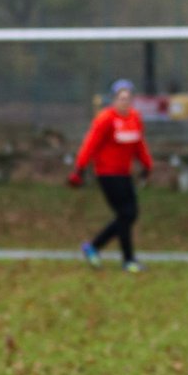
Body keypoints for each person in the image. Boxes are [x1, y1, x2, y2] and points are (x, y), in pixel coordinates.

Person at [69, 78, 154, 272]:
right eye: (120, 98)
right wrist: (79, 169)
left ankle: (94, 247)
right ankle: (128, 260)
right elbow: (90, 144)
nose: (124, 102)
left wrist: (147, 165)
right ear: (114, 99)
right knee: (126, 214)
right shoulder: (105, 119)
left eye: (128, 98)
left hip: (125, 174)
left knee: (129, 215)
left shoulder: (135, 118)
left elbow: (139, 144)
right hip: (107, 174)